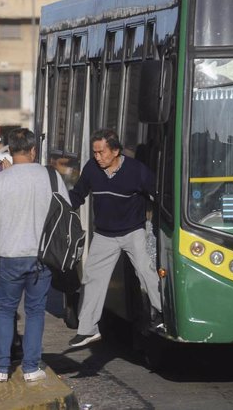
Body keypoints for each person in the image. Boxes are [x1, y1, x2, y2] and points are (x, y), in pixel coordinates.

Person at [0, 129, 67, 383]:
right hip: (42, 256)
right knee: (36, 311)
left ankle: (1, 367)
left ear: (11, 150)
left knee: (4, 310)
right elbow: (65, 212)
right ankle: (30, 367)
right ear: (33, 150)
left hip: (9, 256)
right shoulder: (51, 177)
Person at [68, 129, 161, 348]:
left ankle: (163, 314)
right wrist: (60, 207)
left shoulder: (137, 171)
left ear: (116, 151)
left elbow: (158, 194)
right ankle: (87, 330)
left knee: (146, 272)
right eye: (95, 152)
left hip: (132, 232)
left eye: (101, 152)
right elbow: (78, 194)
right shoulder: (92, 168)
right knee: (91, 279)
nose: (97, 157)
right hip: (104, 234)